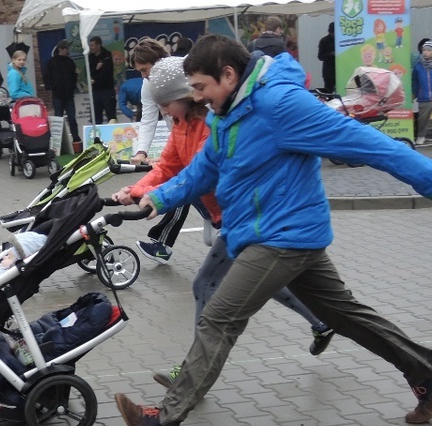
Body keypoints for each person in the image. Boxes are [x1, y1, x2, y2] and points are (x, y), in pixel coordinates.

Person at [114, 34, 432, 426]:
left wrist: (427, 176)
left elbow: (358, 139)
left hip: (282, 236)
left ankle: (162, 422)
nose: (196, 98)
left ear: (228, 74)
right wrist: (156, 198)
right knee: (345, 315)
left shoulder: (280, 105)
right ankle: (430, 373)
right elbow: (202, 169)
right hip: (272, 233)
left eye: (200, 87)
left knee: (219, 317)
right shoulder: (226, 112)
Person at [111, 56, 333, 387]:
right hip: (229, 218)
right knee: (263, 283)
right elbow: (169, 167)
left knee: (206, 286)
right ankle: (321, 321)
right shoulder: (182, 125)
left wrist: (154, 197)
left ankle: (191, 373)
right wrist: (137, 189)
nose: (165, 112)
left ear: (184, 95)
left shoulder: (210, 123)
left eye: (167, 104)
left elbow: (197, 176)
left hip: (244, 218)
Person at [128, 38, 188, 265]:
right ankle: (162, 244)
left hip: (198, 138)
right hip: (179, 141)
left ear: (159, 61)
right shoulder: (147, 85)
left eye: (145, 69)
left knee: (187, 186)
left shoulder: (183, 69)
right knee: (183, 186)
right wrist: (141, 151)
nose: (144, 76)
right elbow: (148, 119)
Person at [43, 39, 80, 142]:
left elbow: (74, 76)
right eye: (66, 48)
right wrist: (51, 88)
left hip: (69, 95)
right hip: (58, 95)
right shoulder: (51, 62)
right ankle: (58, 141)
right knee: (58, 119)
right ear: (61, 49)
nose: (68, 50)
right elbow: (46, 77)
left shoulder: (70, 62)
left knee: (72, 118)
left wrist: (72, 86)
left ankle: (76, 138)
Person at [88, 36, 116, 124]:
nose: (91, 47)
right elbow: (90, 72)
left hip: (107, 89)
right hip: (96, 90)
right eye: (90, 45)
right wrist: (97, 68)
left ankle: (114, 134)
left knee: (110, 114)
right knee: (96, 115)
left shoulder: (106, 54)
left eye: (92, 45)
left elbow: (107, 72)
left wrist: (95, 79)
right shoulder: (90, 57)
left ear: (98, 45)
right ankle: (97, 136)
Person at [317, 22, 336, 93]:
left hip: (340, 71)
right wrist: (331, 54)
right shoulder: (324, 41)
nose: (334, 35)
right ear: (330, 32)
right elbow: (320, 57)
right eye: (333, 33)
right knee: (328, 92)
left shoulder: (340, 40)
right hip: (329, 72)